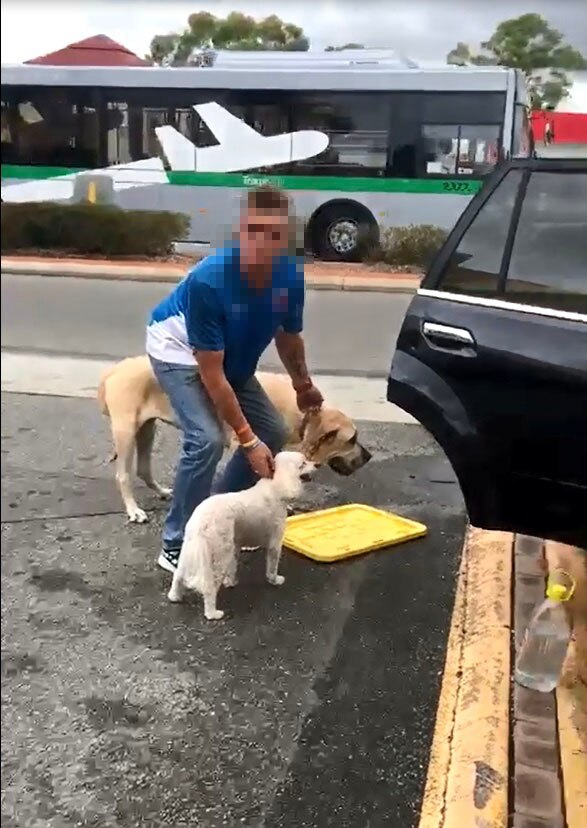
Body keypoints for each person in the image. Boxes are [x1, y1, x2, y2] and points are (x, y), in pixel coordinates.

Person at [146, 186, 324, 572]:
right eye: (253, 230)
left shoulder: (290, 277)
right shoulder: (208, 281)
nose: (261, 241)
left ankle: (220, 519)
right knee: (207, 439)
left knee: (273, 433)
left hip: (231, 352)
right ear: (240, 231)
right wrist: (246, 440)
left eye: (273, 234)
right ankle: (177, 542)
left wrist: (302, 384)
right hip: (178, 349)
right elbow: (212, 375)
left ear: (286, 239)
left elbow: (288, 336)